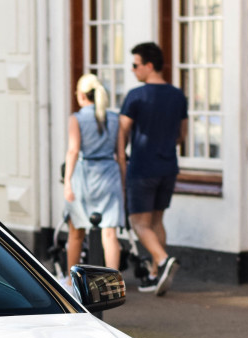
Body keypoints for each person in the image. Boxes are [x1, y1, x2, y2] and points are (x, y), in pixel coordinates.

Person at [118, 41, 188, 295]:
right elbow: (182, 134)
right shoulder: (178, 95)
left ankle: (162, 259)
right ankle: (156, 276)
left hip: (142, 166)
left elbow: (122, 132)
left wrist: (120, 160)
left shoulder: (136, 96)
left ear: (149, 65)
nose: (132, 70)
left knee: (139, 223)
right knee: (157, 220)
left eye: (135, 65)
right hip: (168, 166)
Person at [63, 73, 123, 270]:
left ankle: (71, 282)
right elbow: (121, 156)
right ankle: (114, 283)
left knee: (76, 231)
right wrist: (123, 182)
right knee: (109, 233)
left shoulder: (77, 119)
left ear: (81, 95)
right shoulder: (115, 119)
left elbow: (73, 150)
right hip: (109, 174)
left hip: (85, 175)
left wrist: (67, 182)